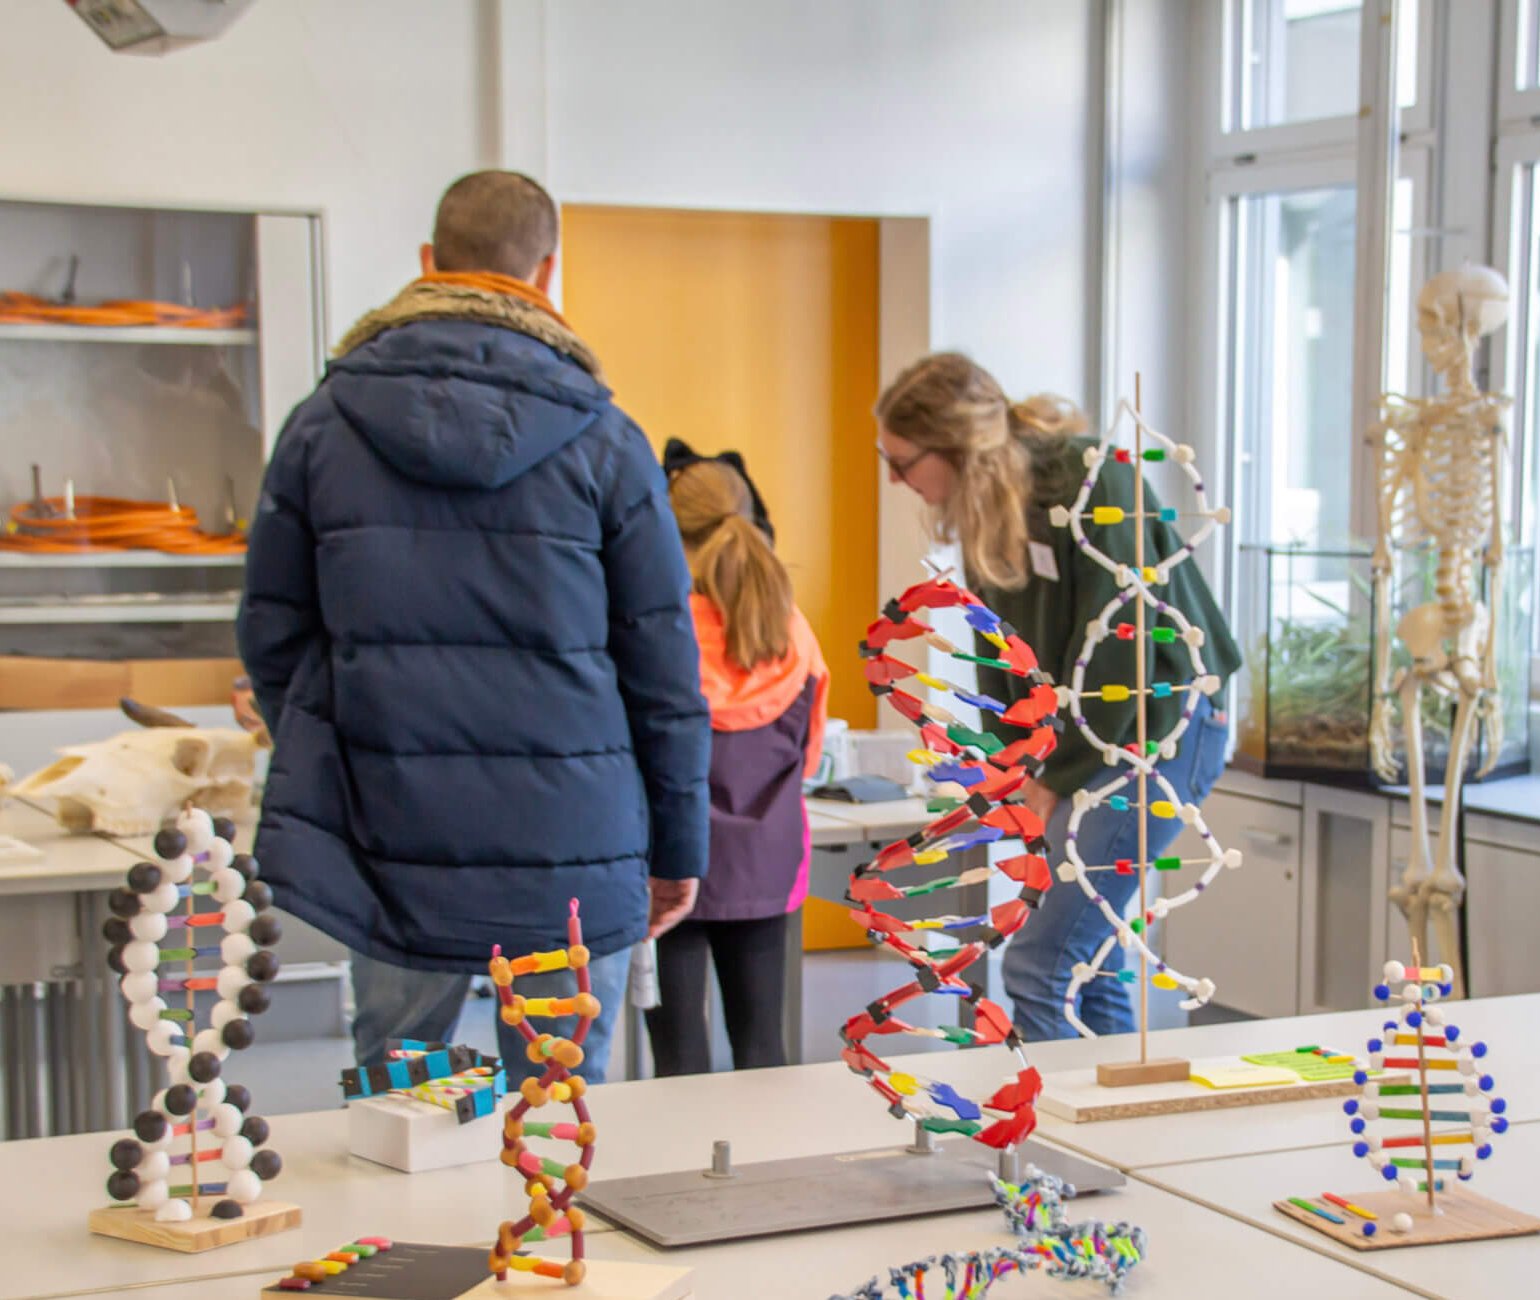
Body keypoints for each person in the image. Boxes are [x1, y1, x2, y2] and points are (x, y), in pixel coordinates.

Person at [237, 170, 710, 1086]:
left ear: (428, 261)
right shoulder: (606, 438)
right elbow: (662, 670)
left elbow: (272, 634)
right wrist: (680, 846)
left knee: (401, 1102)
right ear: (546, 271)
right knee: (559, 1109)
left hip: (387, 831)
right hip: (573, 840)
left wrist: (346, 735)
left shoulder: (323, 423)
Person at [872, 352, 1242, 1041]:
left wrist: (1053, 777)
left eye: (902, 461)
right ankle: (1114, 1102)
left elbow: (1122, 648)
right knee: (1088, 964)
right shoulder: (987, 510)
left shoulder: (1094, 479)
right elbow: (999, 653)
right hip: (1090, 738)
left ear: (955, 446)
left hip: (1164, 725)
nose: (895, 479)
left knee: (1041, 964)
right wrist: (1013, 768)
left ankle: (1052, 1109)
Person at [643, 443, 828, 1074]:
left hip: (672, 860)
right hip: (766, 864)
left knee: (677, 1054)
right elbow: (809, 757)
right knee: (762, 1045)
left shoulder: (657, 632)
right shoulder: (793, 630)